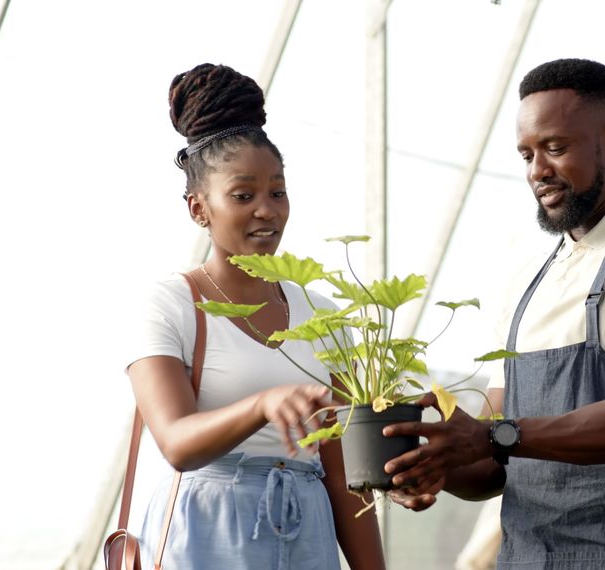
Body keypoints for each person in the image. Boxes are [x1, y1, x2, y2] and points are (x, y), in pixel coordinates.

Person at [383, 58, 605, 569]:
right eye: (527, 154)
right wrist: (438, 464)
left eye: (555, 147)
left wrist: (493, 434)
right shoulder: (528, 278)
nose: (537, 170)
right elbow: (493, 466)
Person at [125, 63, 386, 569]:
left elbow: (342, 475)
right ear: (199, 209)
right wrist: (262, 404)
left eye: (277, 191)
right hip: (205, 533)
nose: (266, 210)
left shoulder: (322, 314)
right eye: (243, 195)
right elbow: (176, 443)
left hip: (306, 533)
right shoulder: (171, 303)